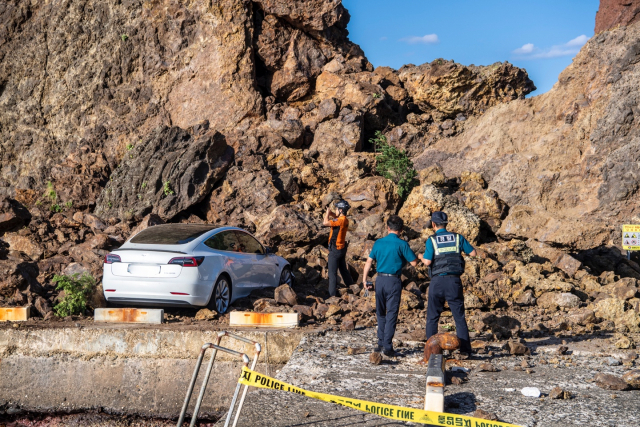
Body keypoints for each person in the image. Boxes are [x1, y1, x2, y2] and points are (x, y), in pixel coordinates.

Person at [418, 211, 476, 355]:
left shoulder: (431, 240)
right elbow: (473, 253)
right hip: (454, 282)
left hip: (437, 282)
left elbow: (428, 262)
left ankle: (431, 351)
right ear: (446, 223)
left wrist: (419, 256)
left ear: (433, 224)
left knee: (432, 317)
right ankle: (465, 351)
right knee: (459, 317)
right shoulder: (457, 238)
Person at [362, 215, 418, 357]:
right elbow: (414, 263)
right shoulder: (402, 244)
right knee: (392, 312)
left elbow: (368, 262)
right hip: (394, 281)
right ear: (401, 229)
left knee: (380, 312)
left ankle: (380, 343)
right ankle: (387, 345)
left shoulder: (378, 243)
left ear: (388, 228)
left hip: (379, 280)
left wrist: (364, 279)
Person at [323, 199, 354, 297]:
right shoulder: (345, 220)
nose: (335, 210)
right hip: (341, 249)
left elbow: (325, 223)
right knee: (343, 269)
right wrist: (332, 213)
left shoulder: (339, 221)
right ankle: (352, 286)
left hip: (335, 250)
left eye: (336, 208)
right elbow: (337, 217)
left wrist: (327, 214)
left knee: (332, 274)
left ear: (341, 210)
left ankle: (332, 296)